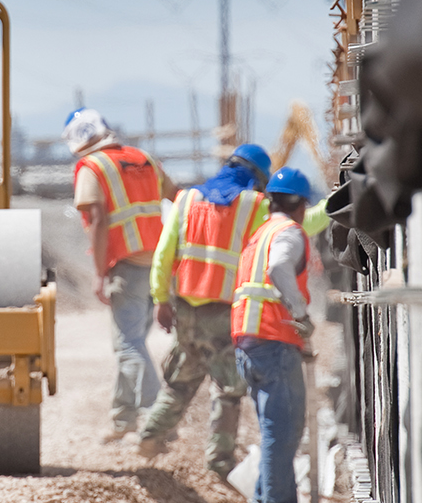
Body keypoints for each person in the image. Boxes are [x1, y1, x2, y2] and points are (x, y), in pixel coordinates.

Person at [136, 144, 273, 478]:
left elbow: (164, 254)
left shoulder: (185, 199)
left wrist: (160, 299)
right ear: (257, 178)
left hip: (185, 309)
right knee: (228, 389)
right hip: (226, 312)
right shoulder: (256, 204)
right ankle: (220, 460)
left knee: (183, 378)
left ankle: (149, 438)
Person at [64, 108, 177, 441]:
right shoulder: (144, 159)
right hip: (158, 265)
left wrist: (99, 274)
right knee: (134, 343)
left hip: (126, 266)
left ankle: (161, 420)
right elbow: (179, 198)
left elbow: (98, 220)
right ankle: (123, 417)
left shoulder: (92, 167)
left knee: (127, 345)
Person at [232, 166, 317, 503]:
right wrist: (300, 313)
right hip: (273, 337)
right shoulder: (289, 234)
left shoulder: (260, 233)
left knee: (274, 427)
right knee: (283, 427)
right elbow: (280, 266)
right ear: (299, 204)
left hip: (248, 339)